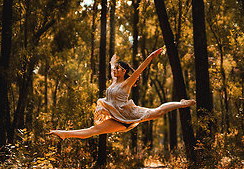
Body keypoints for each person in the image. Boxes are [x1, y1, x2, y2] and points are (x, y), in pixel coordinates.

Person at [49, 48, 196, 139]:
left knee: (158, 112)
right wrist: (112, 63)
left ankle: (181, 103)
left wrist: (150, 57)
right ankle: (63, 133)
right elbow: (112, 68)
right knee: (92, 131)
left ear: (124, 71)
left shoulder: (127, 82)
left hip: (129, 114)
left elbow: (139, 69)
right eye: (115, 68)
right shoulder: (114, 81)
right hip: (116, 119)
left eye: (118, 68)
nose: (115, 70)